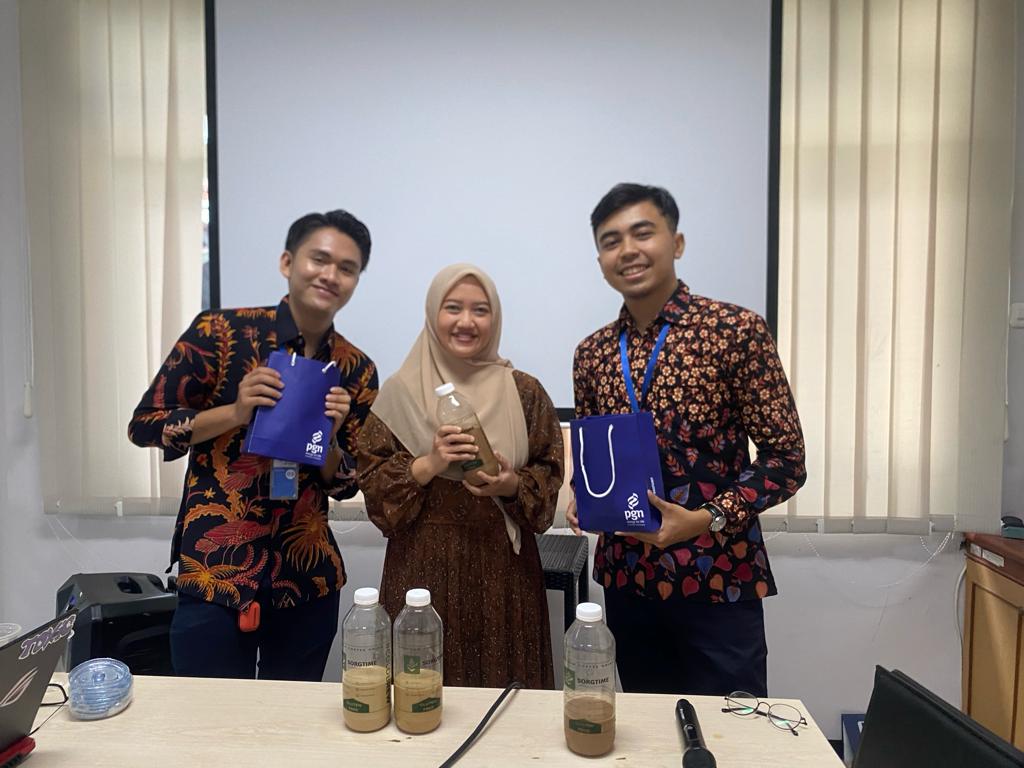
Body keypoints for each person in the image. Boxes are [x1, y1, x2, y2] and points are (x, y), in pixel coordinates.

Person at [568, 183, 806, 697]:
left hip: (717, 574)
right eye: (611, 241)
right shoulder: (592, 354)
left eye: (642, 233)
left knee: (733, 728)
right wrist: (582, 497)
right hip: (628, 580)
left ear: (675, 242)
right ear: (601, 260)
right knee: (649, 728)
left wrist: (705, 518)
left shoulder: (735, 330)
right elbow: (594, 456)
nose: (627, 250)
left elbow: (786, 459)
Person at [128, 209, 378, 681]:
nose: (331, 275)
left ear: (355, 281)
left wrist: (328, 438)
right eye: (319, 259)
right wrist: (236, 413)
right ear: (287, 262)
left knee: (292, 717)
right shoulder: (220, 334)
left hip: (305, 579)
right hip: (215, 572)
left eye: (347, 268)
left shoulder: (356, 369)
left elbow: (345, 484)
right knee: (211, 716)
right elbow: (146, 425)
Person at [357, 263, 563, 689]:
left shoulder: (525, 392)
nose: (466, 322)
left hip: (504, 572)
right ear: (433, 312)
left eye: (480, 310)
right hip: (420, 572)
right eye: (453, 308)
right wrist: (430, 463)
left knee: (507, 703)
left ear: (495, 318)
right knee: (421, 702)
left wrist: (510, 484)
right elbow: (375, 491)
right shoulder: (400, 393)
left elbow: (548, 474)